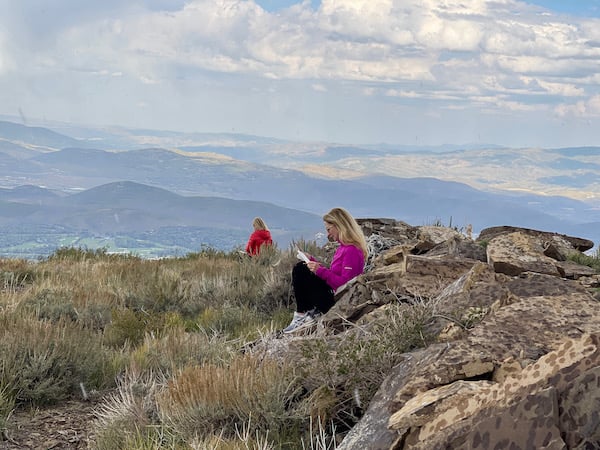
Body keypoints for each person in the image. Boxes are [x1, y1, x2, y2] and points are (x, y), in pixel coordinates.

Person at [283, 207, 368, 334]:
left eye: (329, 229)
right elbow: (334, 275)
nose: (328, 234)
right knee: (302, 267)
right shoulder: (343, 248)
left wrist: (319, 271)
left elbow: (345, 284)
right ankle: (305, 314)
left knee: (301, 269)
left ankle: (302, 315)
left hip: (341, 300)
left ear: (339, 226)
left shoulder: (351, 250)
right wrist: (312, 261)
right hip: (334, 295)